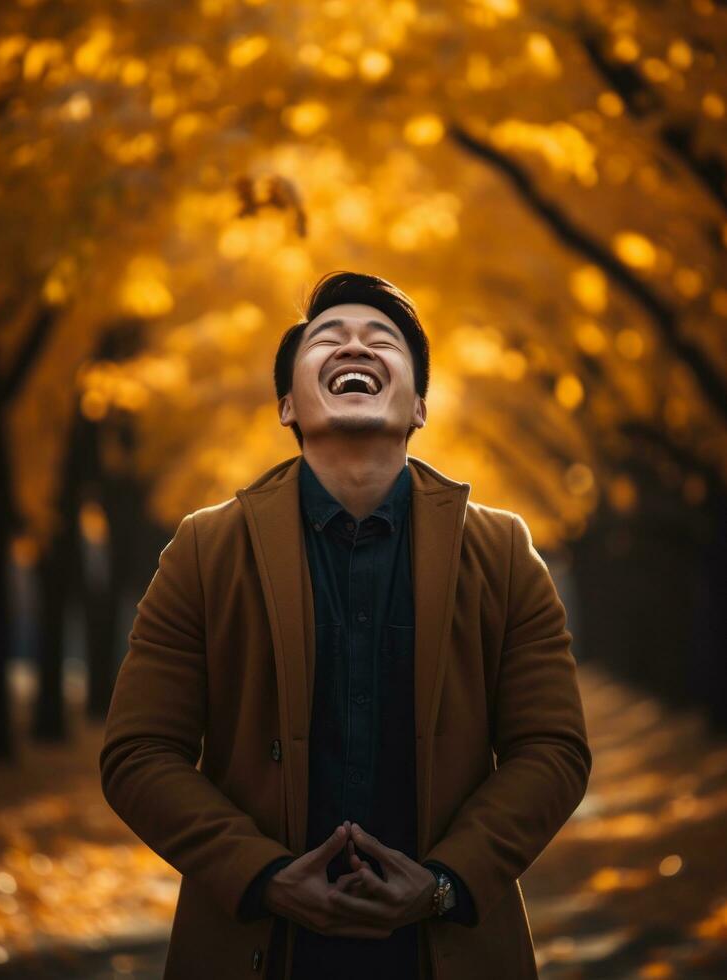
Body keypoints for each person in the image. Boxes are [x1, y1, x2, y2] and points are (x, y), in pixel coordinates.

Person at [99, 271, 592, 980]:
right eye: (326, 339)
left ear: (419, 406)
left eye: (381, 341)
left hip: (443, 951)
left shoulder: (504, 552)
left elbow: (553, 749)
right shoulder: (205, 551)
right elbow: (138, 752)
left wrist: (444, 883)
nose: (353, 347)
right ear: (285, 404)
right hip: (258, 950)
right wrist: (263, 874)